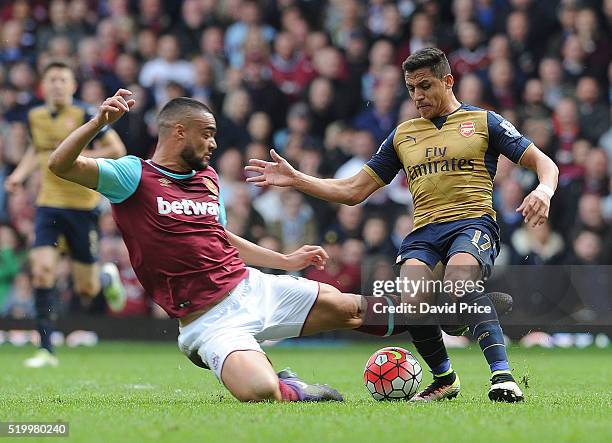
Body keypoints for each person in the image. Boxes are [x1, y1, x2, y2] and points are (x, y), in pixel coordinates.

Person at [47, 91, 417, 402]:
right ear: (179, 132)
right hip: (208, 321)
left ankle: (443, 317)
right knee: (261, 391)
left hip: (250, 287)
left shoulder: (208, 179)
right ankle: (294, 388)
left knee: (352, 308)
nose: (214, 143)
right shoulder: (133, 175)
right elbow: (60, 165)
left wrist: (285, 260)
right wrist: (97, 122)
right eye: (207, 134)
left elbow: (220, 236)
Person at [246, 48, 560, 402]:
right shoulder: (402, 135)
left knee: (457, 285)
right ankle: (446, 376)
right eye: (411, 88)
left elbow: (544, 162)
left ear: (448, 81)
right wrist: (297, 179)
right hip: (424, 232)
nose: (417, 96)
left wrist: (544, 190)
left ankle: (502, 377)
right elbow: (352, 190)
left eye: (425, 85)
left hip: (471, 223)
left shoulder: (484, 122)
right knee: (413, 304)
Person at [4, 61, 127, 368]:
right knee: (42, 271)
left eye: (63, 80)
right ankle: (46, 348)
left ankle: (105, 278)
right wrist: (19, 174)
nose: (58, 85)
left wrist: (78, 156)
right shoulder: (35, 116)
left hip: (83, 207)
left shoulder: (87, 114)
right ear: (44, 86)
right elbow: (38, 151)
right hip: (48, 204)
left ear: (73, 86)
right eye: (52, 79)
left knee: (86, 288)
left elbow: (117, 151)